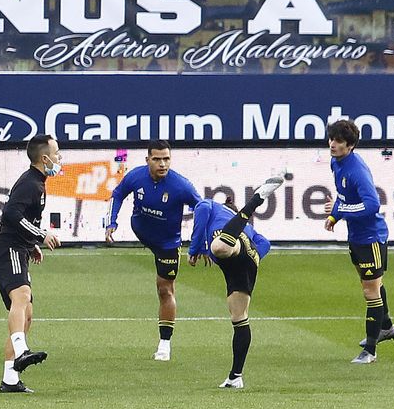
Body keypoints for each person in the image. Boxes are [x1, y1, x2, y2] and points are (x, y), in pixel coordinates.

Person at [104, 140, 204, 361]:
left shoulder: (181, 186)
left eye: (166, 159)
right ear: (147, 159)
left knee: (165, 290)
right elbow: (118, 194)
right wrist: (110, 222)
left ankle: (164, 344)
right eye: (157, 159)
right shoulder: (135, 176)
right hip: (140, 230)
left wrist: (200, 243)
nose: (162, 164)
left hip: (167, 243)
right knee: (164, 288)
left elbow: (203, 209)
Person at [188, 172, 287, 390]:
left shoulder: (210, 206)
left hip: (233, 247)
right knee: (238, 317)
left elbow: (202, 210)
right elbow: (265, 243)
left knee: (219, 246)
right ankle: (235, 376)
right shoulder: (250, 230)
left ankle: (255, 200)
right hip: (245, 262)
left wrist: (193, 249)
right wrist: (253, 259)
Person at [0, 134, 62, 394]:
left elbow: (20, 218)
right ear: (45, 158)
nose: (59, 158)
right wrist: (41, 234)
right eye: (57, 153)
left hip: (18, 248)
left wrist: (32, 245)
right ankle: (21, 350)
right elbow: (11, 214)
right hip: (7, 250)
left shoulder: (38, 182)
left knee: (26, 314)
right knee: (22, 296)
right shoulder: (31, 184)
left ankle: (10, 379)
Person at [324, 119, 394, 366]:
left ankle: (370, 349)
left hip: (371, 237)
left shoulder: (357, 171)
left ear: (351, 145)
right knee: (372, 285)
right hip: (356, 236)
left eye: (339, 142)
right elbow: (343, 197)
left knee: (370, 290)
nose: (332, 145)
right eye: (331, 139)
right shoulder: (336, 163)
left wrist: (341, 209)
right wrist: (335, 215)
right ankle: (386, 326)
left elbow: (373, 204)